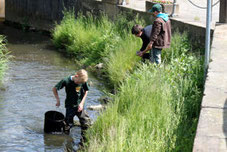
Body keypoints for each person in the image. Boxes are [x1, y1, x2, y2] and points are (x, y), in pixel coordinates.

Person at [52, 69, 91, 144]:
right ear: (76, 76)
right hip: (69, 106)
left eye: (80, 83)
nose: (78, 83)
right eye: (78, 82)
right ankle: (68, 142)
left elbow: (86, 91)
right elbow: (54, 89)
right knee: (68, 125)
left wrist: (82, 103)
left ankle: (84, 141)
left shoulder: (83, 81)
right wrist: (58, 100)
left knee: (86, 122)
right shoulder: (66, 81)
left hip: (80, 106)